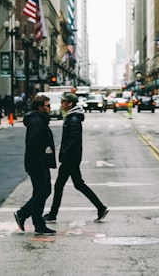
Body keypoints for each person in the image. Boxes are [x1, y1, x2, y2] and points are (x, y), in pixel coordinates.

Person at [43, 93, 109, 224]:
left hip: (70, 158)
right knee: (78, 184)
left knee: (59, 186)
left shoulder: (73, 119)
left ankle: (53, 214)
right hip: (72, 157)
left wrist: (65, 153)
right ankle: (100, 207)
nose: (61, 104)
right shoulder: (72, 117)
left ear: (70, 104)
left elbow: (74, 139)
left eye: (63, 102)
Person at [14, 95, 57, 236]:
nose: (49, 108)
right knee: (42, 191)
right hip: (37, 163)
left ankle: (24, 215)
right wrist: (43, 156)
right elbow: (34, 144)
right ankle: (35, 222)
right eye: (47, 106)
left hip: (39, 162)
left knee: (42, 191)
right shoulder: (38, 122)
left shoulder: (38, 120)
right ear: (39, 107)